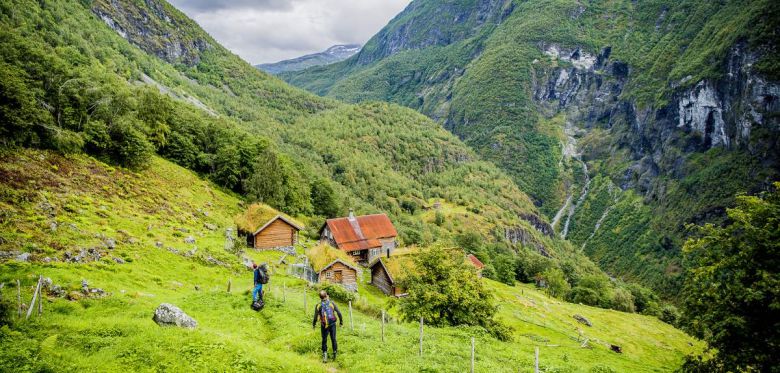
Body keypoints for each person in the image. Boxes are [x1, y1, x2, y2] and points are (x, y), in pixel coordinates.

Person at [312, 290, 343, 362]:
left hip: (324, 325)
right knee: (333, 339)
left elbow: (315, 317)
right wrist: (341, 322)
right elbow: (339, 313)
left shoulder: (318, 305)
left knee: (324, 340)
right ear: (327, 295)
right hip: (332, 324)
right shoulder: (332, 303)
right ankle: (334, 354)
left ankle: (325, 356)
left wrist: (314, 325)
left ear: (320, 297)